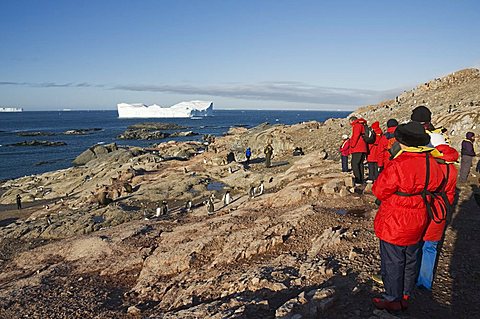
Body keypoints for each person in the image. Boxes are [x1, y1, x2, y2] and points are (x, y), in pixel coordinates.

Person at [372, 122, 446, 311]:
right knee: (412, 257)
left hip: (395, 220)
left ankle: (392, 299)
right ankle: (405, 294)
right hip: (420, 217)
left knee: (393, 261)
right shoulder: (432, 162)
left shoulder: (398, 163)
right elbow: (438, 185)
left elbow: (379, 190)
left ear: (403, 141)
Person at [417, 134, 458, 290]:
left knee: (416, 244)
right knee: (431, 246)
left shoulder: (430, 165)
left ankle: (411, 277)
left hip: (426, 208)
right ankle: (425, 281)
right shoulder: (452, 168)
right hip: (440, 211)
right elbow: (451, 195)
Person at [348, 116, 368, 185]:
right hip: (363, 147)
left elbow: (356, 136)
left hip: (358, 147)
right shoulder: (362, 125)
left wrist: (352, 145)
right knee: (360, 163)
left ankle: (358, 179)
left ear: (352, 121)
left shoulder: (357, 125)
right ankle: (361, 179)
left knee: (354, 163)